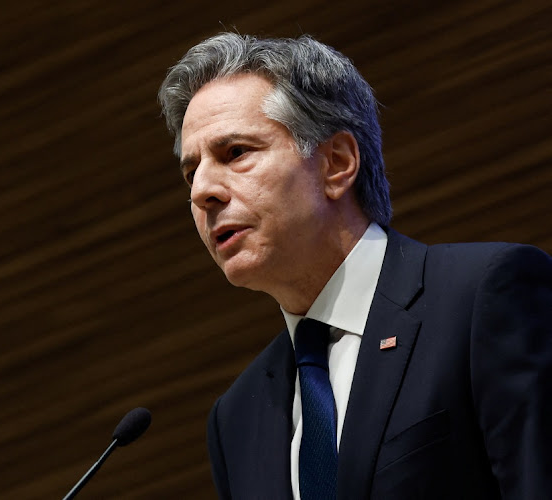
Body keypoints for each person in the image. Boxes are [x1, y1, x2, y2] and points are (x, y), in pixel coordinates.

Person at [157, 32, 552, 500]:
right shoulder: (237, 418)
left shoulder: (482, 298)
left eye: (235, 153)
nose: (202, 191)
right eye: (190, 172)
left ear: (336, 164)